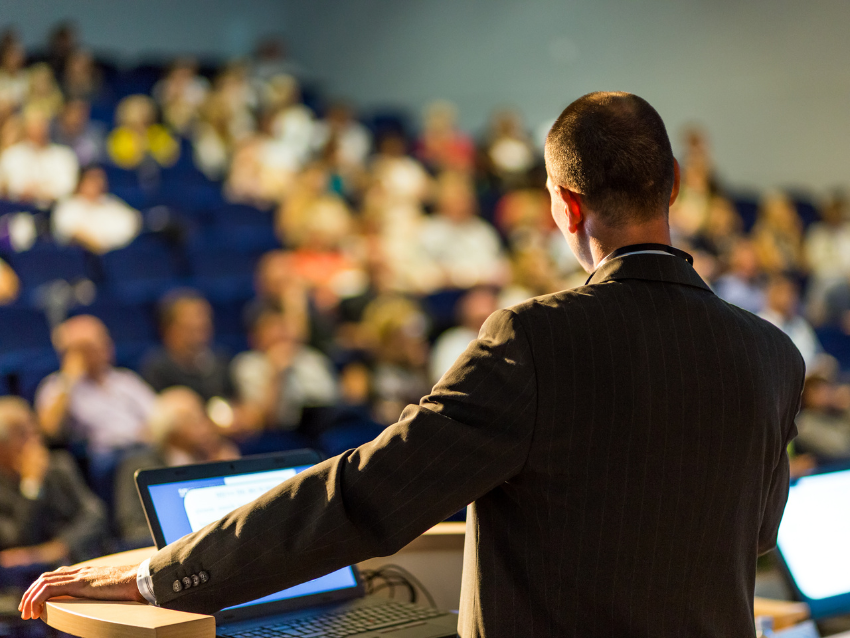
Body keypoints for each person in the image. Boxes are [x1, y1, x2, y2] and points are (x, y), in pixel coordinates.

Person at [19, 93, 805, 638]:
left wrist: (161, 575)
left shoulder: (537, 339)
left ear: (564, 205)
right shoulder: (773, 354)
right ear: (674, 186)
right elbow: (756, 532)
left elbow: (365, 494)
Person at [34, 316, 156, 490]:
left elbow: (159, 416)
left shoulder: (125, 379)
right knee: (141, 463)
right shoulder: (57, 386)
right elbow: (49, 429)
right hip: (107, 458)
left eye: (103, 341)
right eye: (89, 347)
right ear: (71, 354)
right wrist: (70, 377)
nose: (103, 349)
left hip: (144, 446)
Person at [114, 387, 239, 547]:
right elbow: (132, 528)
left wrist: (227, 469)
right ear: (170, 428)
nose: (205, 425)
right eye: (193, 419)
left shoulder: (209, 457)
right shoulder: (138, 466)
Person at [0, 397, 107, 571]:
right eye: (22, 435)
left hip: (76, 560)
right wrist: (31, 485)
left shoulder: (59, 465)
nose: (34, 443)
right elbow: (17, 540)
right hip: (29, 576)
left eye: (34, 432)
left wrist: (59, 547)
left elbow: (95, 515)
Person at [141, 290, 235, 401]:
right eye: (191, 325)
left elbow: (235, 402)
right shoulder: (157, 369)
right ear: (170, 328)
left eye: (204, 320)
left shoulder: (220, 361)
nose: (201, 323)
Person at [51, 166, 142, 253]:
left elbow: (132, 224)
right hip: (82, 257)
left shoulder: (111, 202)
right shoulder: (68, 205)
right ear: (81, 181)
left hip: (116, 256)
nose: (98, 183)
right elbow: (73, 233)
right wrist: (99, 248)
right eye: (92, 178)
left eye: (100, 178)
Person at [0, 106, 79, 204]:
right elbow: (7, 184)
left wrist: (43, 192)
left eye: (43, 124)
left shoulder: (64, 156)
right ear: (26, 127)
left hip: (52, 208)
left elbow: (67, 187)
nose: (40, 129)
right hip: (17, 207)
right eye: (35, 125)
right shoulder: (12, 155)